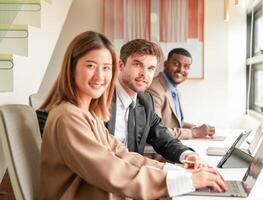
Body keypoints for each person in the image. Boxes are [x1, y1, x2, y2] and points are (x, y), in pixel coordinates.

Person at [38, 31, 226, 199]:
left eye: (105, 68)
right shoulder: (69, 116)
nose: (100, 77)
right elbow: (111, 170)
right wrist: (186, 181)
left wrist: (179, 171)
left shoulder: (89, 113)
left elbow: (123, 154)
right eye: (90, 66)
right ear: (71, 68)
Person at [105, 39, 200, 166]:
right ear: (121, 65)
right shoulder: (101, 99)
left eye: (150, 68)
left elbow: (162, 137)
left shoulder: (145, 101)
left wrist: (186, 155)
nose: (144, 73)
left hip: (133, 176)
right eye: (137, 64)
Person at [147, 48, 215, 139]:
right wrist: (194, 132)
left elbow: (173, 123)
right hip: (156, 151)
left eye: (186, 66)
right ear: (165, 64)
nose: (181, 69)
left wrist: (196, 128)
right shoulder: (154, 89)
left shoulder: (174, 90)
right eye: (176, 64)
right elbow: (157, 131)